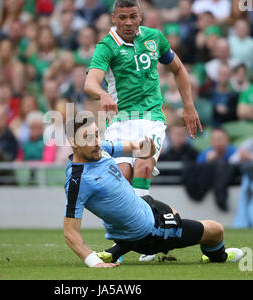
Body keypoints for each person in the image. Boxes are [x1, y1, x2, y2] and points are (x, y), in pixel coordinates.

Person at [84, 0, 201, 261]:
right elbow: (90, 82)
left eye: (133, 17)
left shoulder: (154, 38)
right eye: (122, 17)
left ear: (140, 17)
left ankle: (132, 244)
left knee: (143, 166)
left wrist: (188, 106)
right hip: (120, 122)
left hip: (151, 118)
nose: (128, 22)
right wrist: (101, 95)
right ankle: (152, 232)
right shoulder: (106, 47)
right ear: (114, 18)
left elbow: (179, 69)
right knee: (122, 180)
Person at [63, 114, 243, 267]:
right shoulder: (77, 181)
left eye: (96, 135)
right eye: (88, 137)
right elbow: (70, 232)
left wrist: (143, 147)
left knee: (173, 212)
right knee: (216, 230)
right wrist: (95, 262)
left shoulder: (98, 148)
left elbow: (130, 147)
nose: (96, 142)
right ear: (74, 142)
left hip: (144, 208)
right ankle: (219, 257)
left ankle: (116, 250)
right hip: (149, 232)